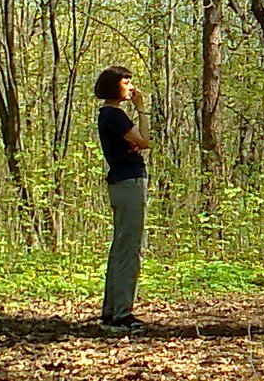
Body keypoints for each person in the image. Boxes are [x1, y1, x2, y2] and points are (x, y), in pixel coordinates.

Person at [94, 65, 150, 334]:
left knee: (121, 246)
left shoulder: (109, 115)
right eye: (126, 82)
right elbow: (145, 140)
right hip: (129, 182)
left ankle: (110, 312)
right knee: (130, 247)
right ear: (113, 86)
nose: (130, 87)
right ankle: (121, 315)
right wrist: (141, 110)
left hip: (121, 182)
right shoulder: (114, 116)